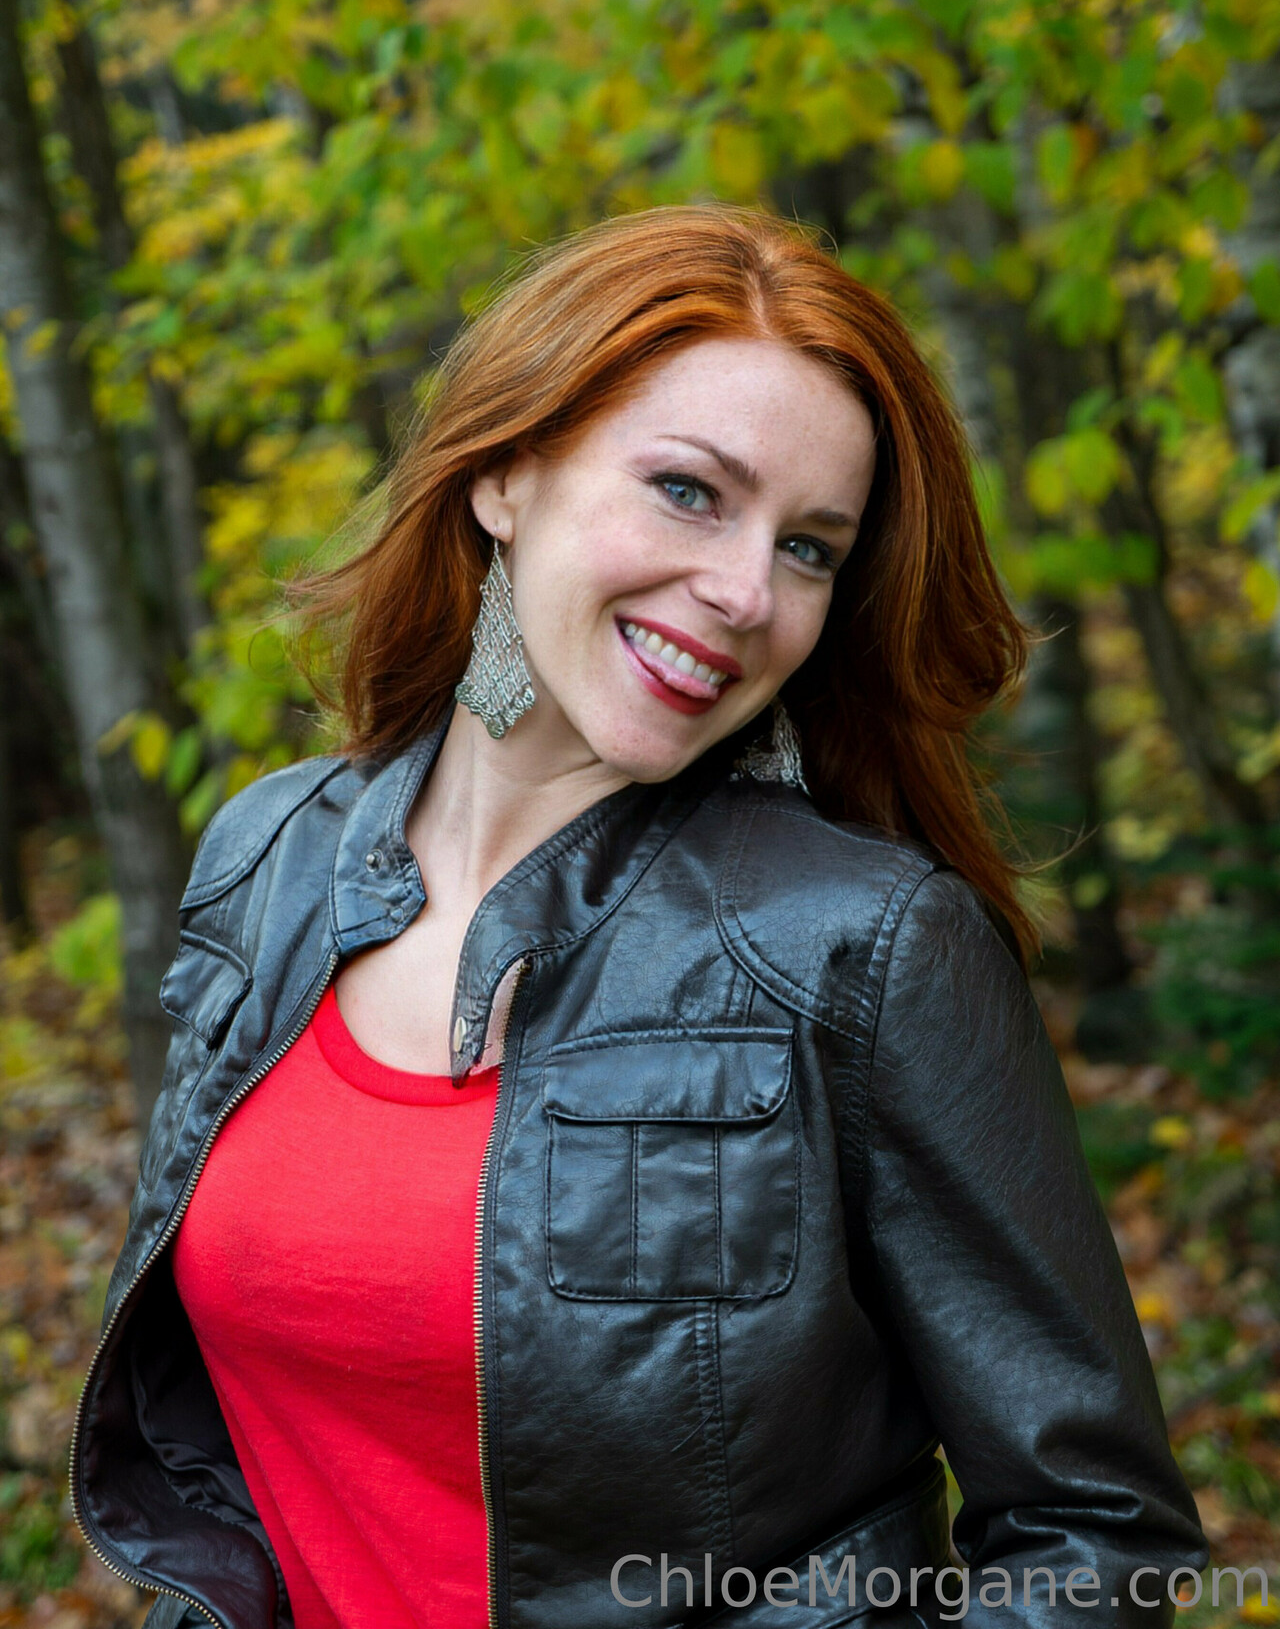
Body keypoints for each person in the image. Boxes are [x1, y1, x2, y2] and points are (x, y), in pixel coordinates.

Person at [71, 204, 1207, 1629]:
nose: (746, 592)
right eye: (688, 491)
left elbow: (1098, 1538)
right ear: (505, 472)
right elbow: (222, 1478)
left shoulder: (861, 949)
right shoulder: (269, 859)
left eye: (810, 549)